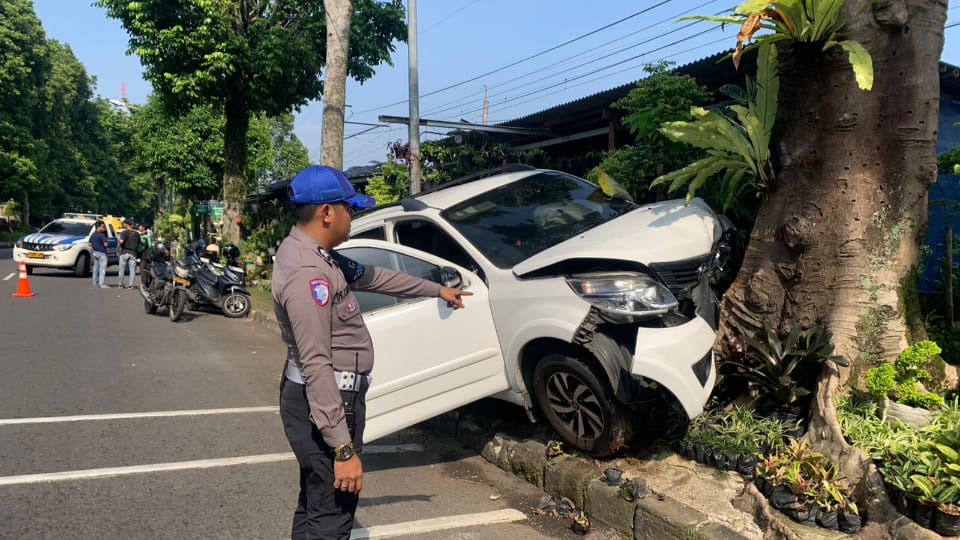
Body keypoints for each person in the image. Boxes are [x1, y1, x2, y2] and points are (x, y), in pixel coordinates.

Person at [272, 165, 471, 539]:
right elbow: (316, 364)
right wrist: (343, 449)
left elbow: (373, 277)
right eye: (350, 208)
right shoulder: (308, 274)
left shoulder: (315, 254)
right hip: (327, 403)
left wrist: (436, 290)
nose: (353, 217)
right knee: (331, 513)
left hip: (322, 399)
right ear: (326, 212)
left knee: (317, 503)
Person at [117, 219, 140, 288]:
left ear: (127, 224)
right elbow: (139, 243)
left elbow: (121, 241)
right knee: (132, 270)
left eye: (124, 224)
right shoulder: (136, 233)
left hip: (125, 252)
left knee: (122, 269)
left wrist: (118, 240)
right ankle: (131, 285)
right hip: (133, 253)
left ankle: (120, 284)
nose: (123, 225)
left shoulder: (124, 232)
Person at [90, 220, 109, 288]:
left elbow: (90, 243)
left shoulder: (92, 235)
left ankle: (95, 284)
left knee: (95, 269)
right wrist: (107, 243)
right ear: (99, 227)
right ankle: (101, 284)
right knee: (102, 269)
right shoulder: (102, 235)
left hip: (95, 253)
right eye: (103, 227)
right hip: (102, 254)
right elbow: (105, 244)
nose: (104, 228)